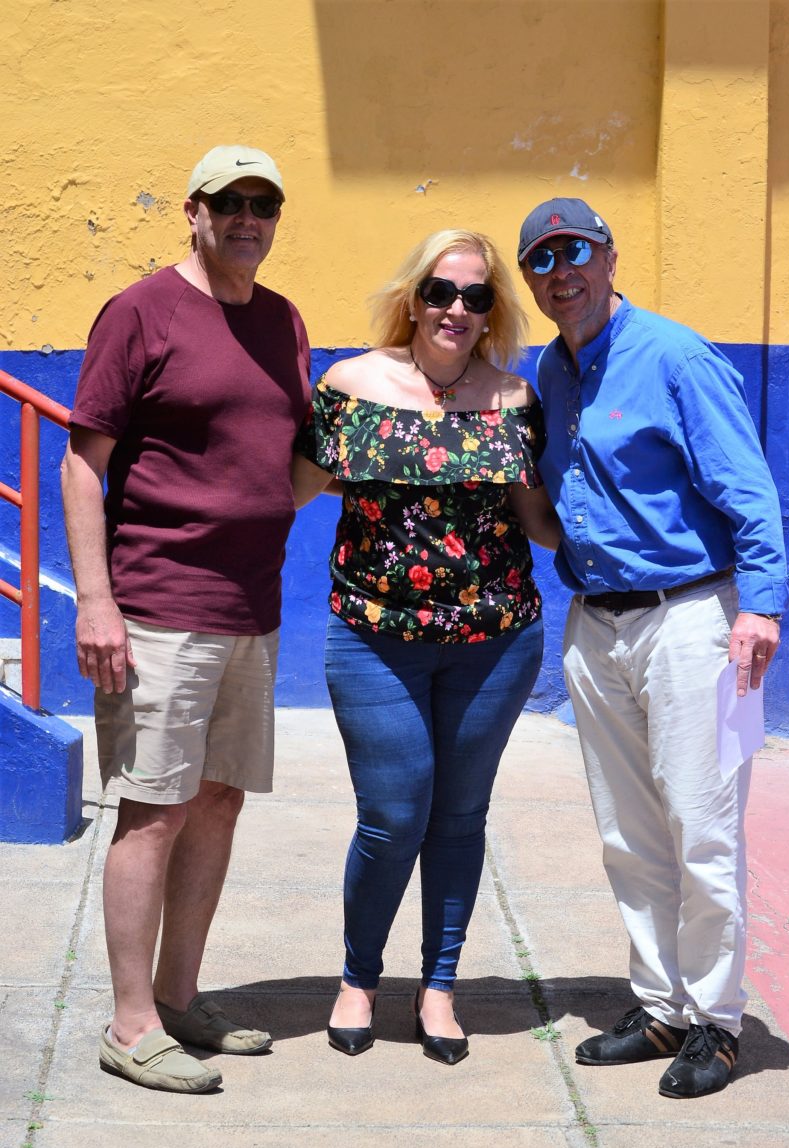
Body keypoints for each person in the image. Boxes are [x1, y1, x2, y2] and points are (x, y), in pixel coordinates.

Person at [517, 197, 789, 1098]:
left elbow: (747, 489)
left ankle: (716, 1021)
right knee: (627, 832)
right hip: (595, 623)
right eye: (541, 260)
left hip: (692, 622)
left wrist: (760, 608)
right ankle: (660, 1007)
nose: (561, 272)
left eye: (575, 252)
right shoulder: (550, 370)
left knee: (701, 826)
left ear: (609, 257)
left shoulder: (675, 356)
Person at [60, 145, 312, 1093]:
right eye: (229, 201)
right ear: (193, 211)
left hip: (251, 605)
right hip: (159, 605)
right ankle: (129, 1026)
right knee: (153, 810)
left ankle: (177, 997)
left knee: (217, 800)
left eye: (264, 204)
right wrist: (97, 601)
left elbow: (283, 458)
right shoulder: (141, 311)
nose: (248, 218)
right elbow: (82, 463)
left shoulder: (282, 320)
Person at [291, 229, 558, 1064]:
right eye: (440, 291)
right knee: (392, 817)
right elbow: (285, 487)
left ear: (491, 310)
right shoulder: (350, 384)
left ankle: (438, 987)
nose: (455, 309)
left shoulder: (513, 398)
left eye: (475, 296)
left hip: (495, 640)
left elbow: (539, 522)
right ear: (413, 298)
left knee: (459, 817)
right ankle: (358, 978)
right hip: (373, 636)